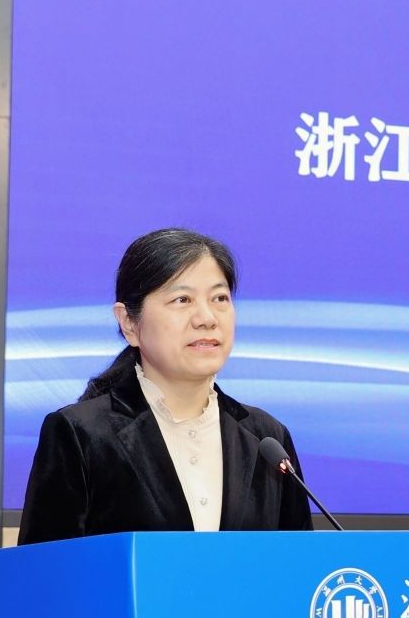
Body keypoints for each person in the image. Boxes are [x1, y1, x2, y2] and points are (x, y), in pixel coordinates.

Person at [17, 228, 314, 543]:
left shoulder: (267, 439)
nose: (207, 318)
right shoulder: (81, 434)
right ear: (129, 323)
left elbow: (300, 564)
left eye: (220, 298)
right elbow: (44, 568)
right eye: (182, 299)